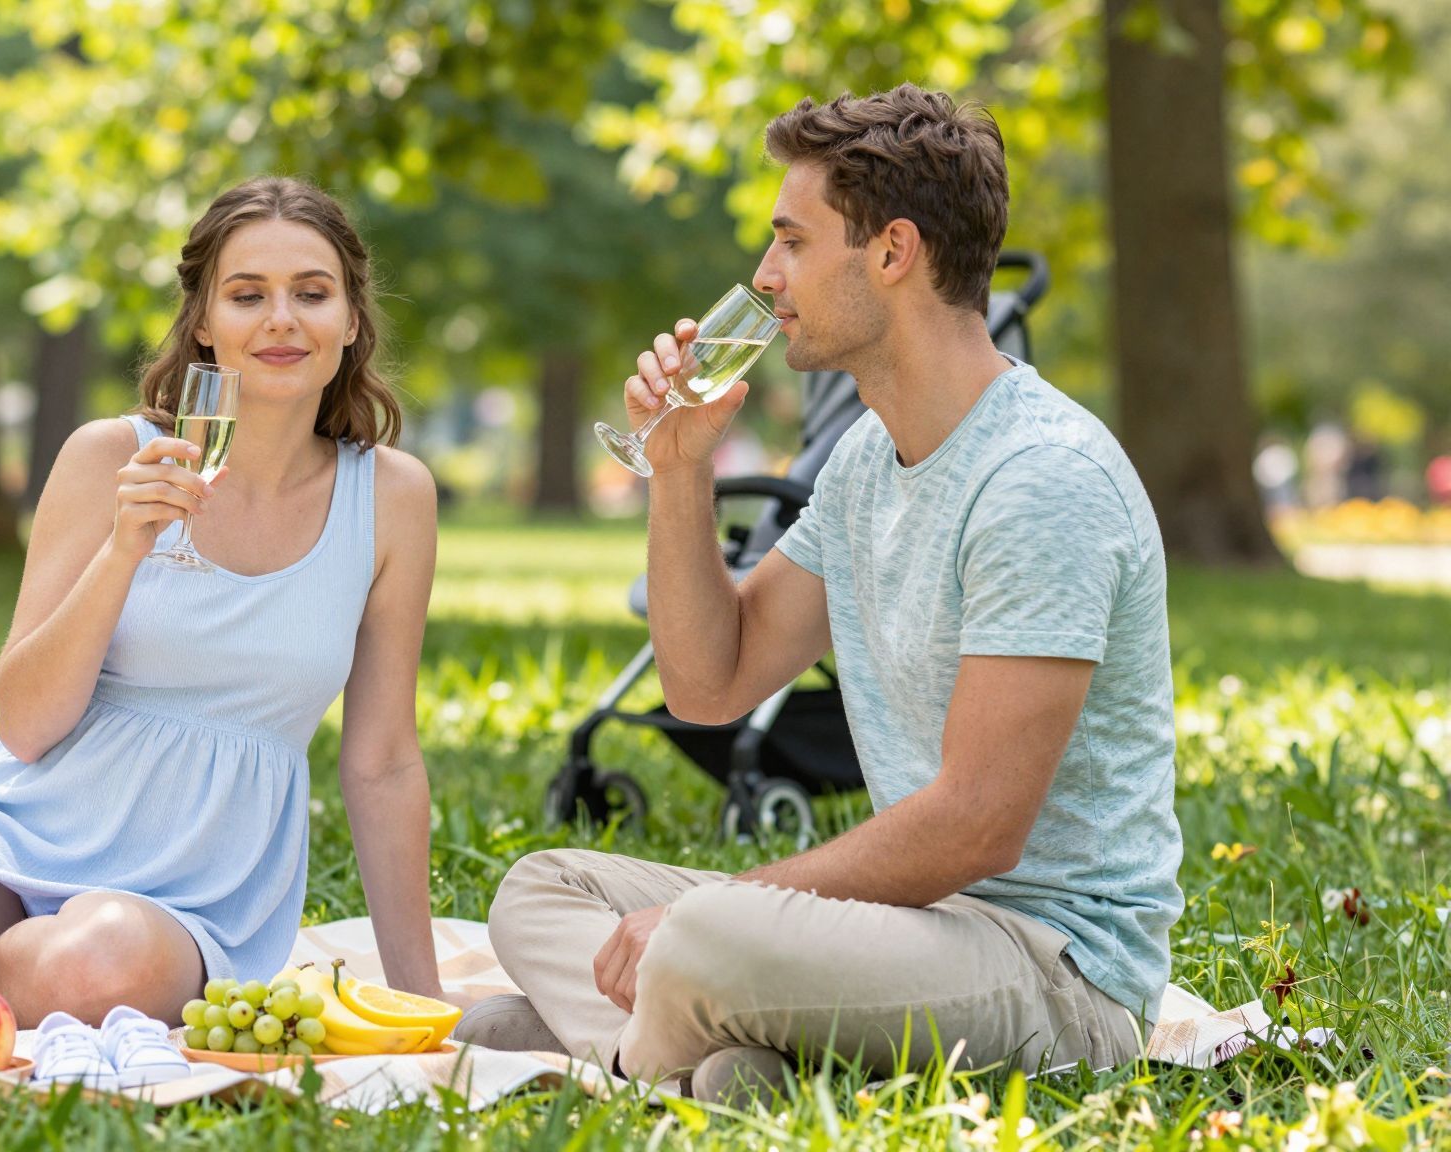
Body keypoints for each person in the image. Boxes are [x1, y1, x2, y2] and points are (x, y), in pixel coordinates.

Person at [456, 85, 1183, 1102]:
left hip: (1050, 973)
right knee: (543, 887)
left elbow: (977, 825)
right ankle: (726, 1063)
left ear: (890, 252)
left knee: (705, 937)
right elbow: (708, 685)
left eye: (790, 241)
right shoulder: (865, 464)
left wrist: (721, 918)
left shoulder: (1039, 480)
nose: (762, 276)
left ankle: (615, 1057)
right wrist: (677, 472)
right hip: (904, 932)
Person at [0, 177, 445, 1025]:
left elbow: (383, 761)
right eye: (248, 295)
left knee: (99, 967)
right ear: (204, 322)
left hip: (187, 887)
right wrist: (124, 548)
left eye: (311, 294)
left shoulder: (391, 497)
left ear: (350, 320)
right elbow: (25, 724)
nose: (282, 319)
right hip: (9, 826)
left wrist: (422, 1000)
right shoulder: (111, 458)